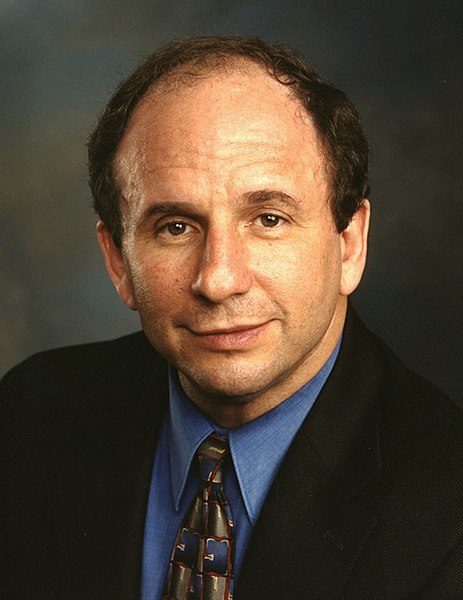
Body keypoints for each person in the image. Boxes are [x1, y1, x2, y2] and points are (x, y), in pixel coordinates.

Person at [1, 35, 462, 600]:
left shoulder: (447, 513)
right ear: (118, 261)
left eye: (268, 219)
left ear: (350, 244)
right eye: (175, 227)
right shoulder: (30, 416)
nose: (219, 280)